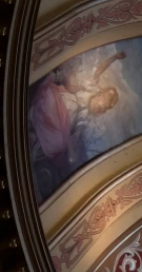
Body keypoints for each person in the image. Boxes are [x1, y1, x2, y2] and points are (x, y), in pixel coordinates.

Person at [30, 49, 128, 181]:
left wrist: (74, 142)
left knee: (58, 142)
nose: (102, 97)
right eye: (106, 93)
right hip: (63, 100)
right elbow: (99, 70)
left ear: (106, 105)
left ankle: (38, 135)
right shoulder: (92, 89)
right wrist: (115, 57)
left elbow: (81, 125)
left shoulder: (90, 114)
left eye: (106, 99)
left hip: (66, 118)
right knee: (49, 100)